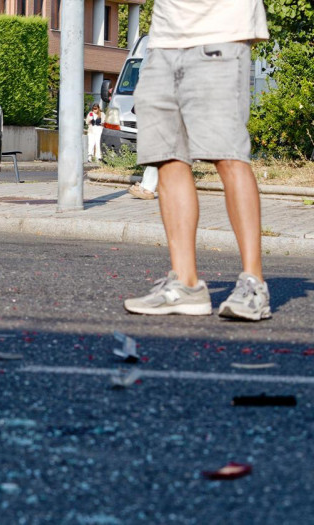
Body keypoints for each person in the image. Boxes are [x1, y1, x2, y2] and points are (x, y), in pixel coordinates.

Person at [123, 0, 271, 321]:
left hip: (220, 33)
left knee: (228, 156)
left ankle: (254, 284)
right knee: (167, 158)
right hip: (162, 42)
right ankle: (186, 284)